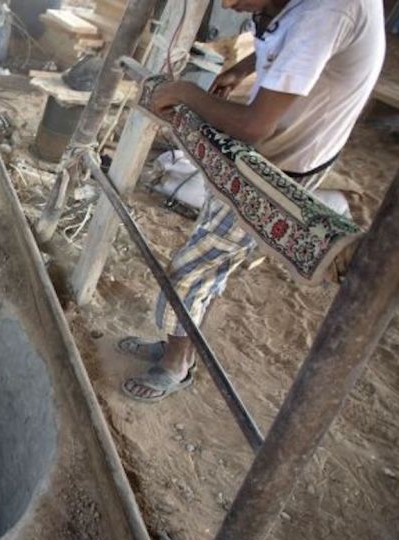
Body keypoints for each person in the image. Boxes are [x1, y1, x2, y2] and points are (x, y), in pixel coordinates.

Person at [119, 0, 385, 401]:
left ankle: (176, 364)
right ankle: (180, 344)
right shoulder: (307, 12)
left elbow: (253, 125)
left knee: (190, 269)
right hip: (277, 154)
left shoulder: (327, 13)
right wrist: (245, 67)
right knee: (209, 261)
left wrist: (186, 92)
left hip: (278, 171)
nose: (227, 4)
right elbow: (285, 42)